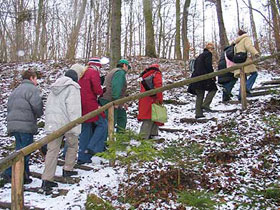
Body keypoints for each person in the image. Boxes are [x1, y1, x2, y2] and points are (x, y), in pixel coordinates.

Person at [41, 69, 82, 190]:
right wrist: (76, 126)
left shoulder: (54, 87)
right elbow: (73, 109)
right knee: (73, 145)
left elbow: (48, 106)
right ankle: (68, 169)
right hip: (67, 123)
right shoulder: (73, 87)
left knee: (52, 151)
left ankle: (47, 179)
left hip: (52, 123)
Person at [2, 69, 43, 184]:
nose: (36, 81)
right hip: (25, 124)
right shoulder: (32, 89)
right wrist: (40, 113)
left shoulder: (16, 90)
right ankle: (9, 172)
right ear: (31, 78)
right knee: (24, 152)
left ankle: (24, 175)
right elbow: (37, 105)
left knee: (20, 150)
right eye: (35, 79)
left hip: (13, 124)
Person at [77, 58, 108, 165]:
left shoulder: (83, 73)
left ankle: (82, 156)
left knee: (86, 130)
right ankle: (92, 147)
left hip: (82, 105)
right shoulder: (93, 73)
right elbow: (97, 90)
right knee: (103, 124)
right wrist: (103, 90)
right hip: (91, 104)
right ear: (97, 66)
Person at [99, 59, 131, 132]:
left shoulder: (114, 71)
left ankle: (120, 139)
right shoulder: (120, 72)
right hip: (110, 99)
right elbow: (116, 87)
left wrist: (123, 102)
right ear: (124, 65)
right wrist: (116, 101)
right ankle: (106, 140)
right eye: (127, 67)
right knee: (111, 121)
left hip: (113, 99)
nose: (127, 70)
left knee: (122, 117)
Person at [187, 42, 217, 119]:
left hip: (196, 77)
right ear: (209, 49)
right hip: (204, 77)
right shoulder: (208, 54)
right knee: (213, 89)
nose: (213, 50)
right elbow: (208, 65)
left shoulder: (200, 55)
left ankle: (198, 113)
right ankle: (206, 104)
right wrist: (212, 75)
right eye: (212, 48)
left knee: (200, 94)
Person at [137, 64, 163, 139]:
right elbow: (158, 88)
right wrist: (159, 99)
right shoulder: (156, 74)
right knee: (151, 118)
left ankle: (151, 135)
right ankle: (145, 137)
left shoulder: (145, 75)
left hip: (144, 99)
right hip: (152, 99)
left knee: (151, 117)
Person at [233, 29, 260, 100]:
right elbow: (249, 46)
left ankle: (240, 95)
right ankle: (246, 89)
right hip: (244, 60)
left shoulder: (237, 42)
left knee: (243, 78)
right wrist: (256, 53)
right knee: (254, 73)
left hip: (237, 61)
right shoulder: (246, 38)